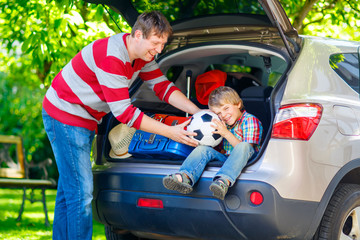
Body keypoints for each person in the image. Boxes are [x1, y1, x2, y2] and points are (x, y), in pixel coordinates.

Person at [42, 11, 200, 240]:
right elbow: (125, 113)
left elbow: (162, 88)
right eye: (155, 43)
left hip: (86, 119)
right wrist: (171, 132)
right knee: (80, 194)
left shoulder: (141, 57)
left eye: (162, 45)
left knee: (70, 193)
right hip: (65, 115)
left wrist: (198, 111)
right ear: (138, 35)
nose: (158, 50)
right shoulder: (112, 57)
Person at [163, 86, 262, 200]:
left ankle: (223, 181)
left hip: (247, 160)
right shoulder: (222, 124)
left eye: (226, 108)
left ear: (238, 104)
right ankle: (185, 177)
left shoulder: (249, 120)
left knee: (243, 146)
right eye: (218, 113)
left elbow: (247, 149)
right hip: (226, 159)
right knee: (203, 149)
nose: (223, 115)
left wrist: (226, 133)